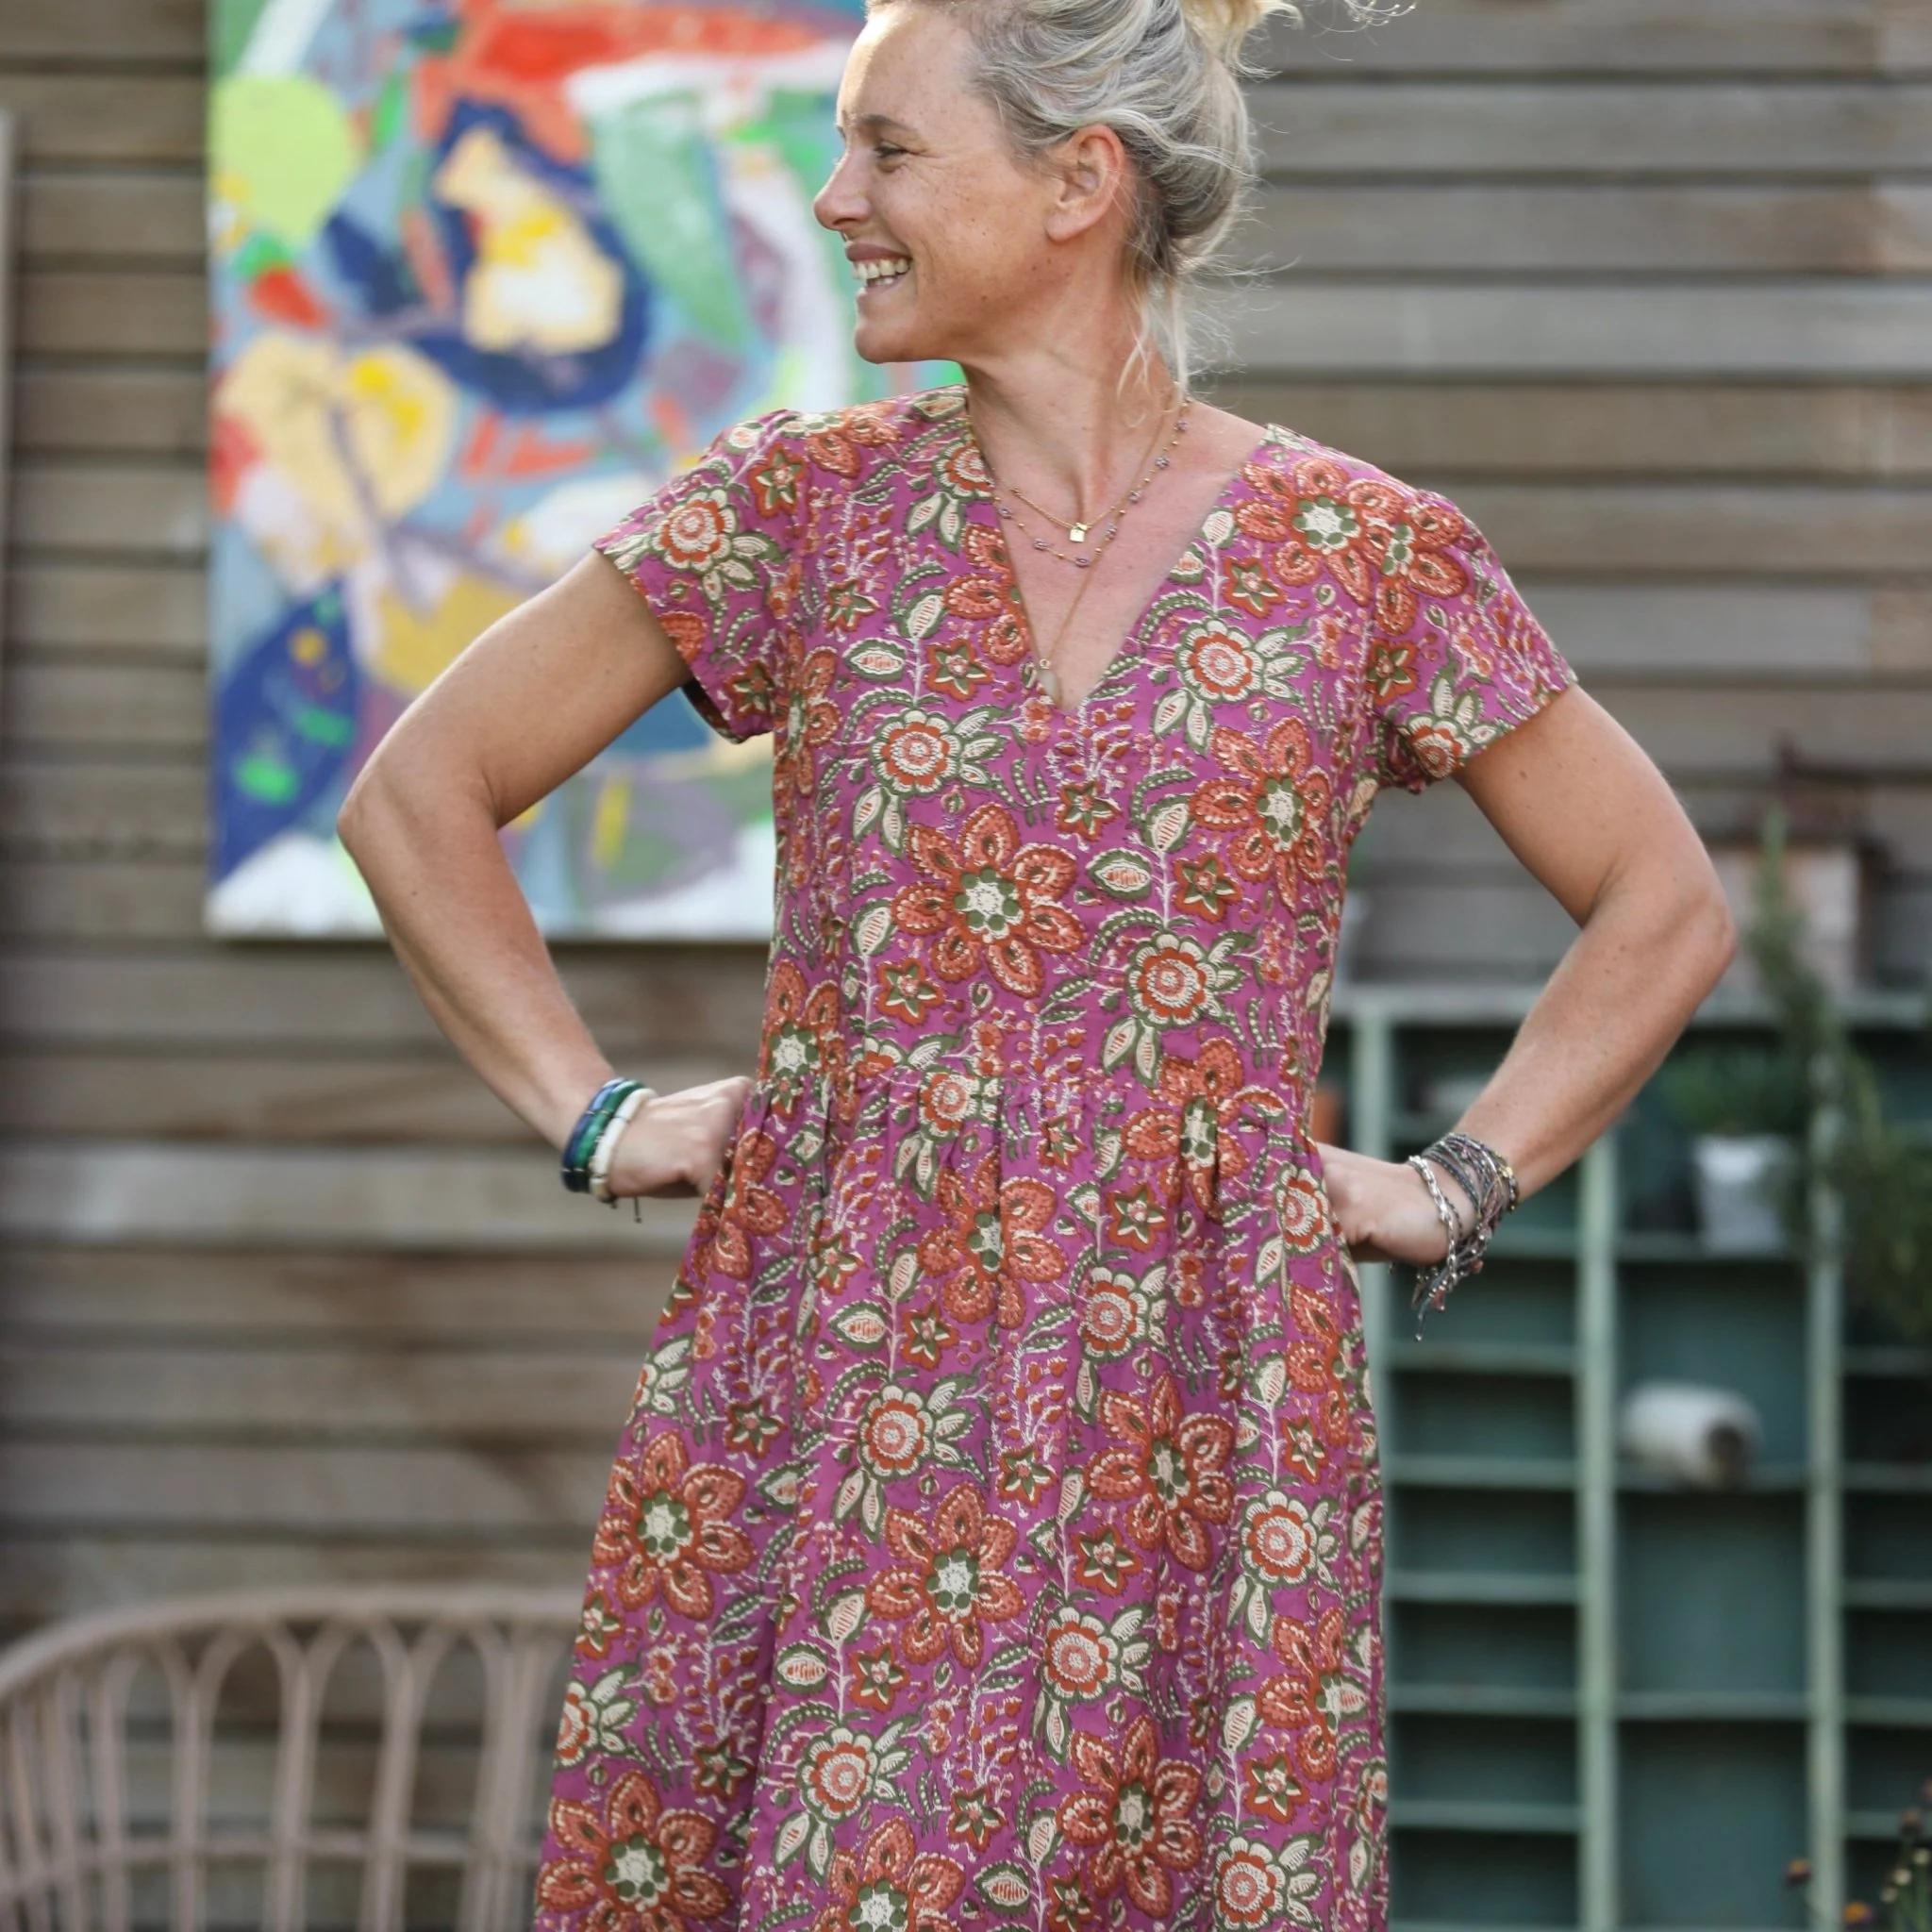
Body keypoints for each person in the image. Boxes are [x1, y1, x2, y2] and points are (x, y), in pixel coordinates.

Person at [337, 0, 1736, 1920]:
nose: (835, 200)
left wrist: (1455, 1181)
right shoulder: (798, 511)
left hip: (1199, 1402)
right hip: (842, 1379)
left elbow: (1663, 899)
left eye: (890, 150)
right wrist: (590, 1114)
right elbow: (417, 796)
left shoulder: (1360, 555)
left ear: (1079, 181)